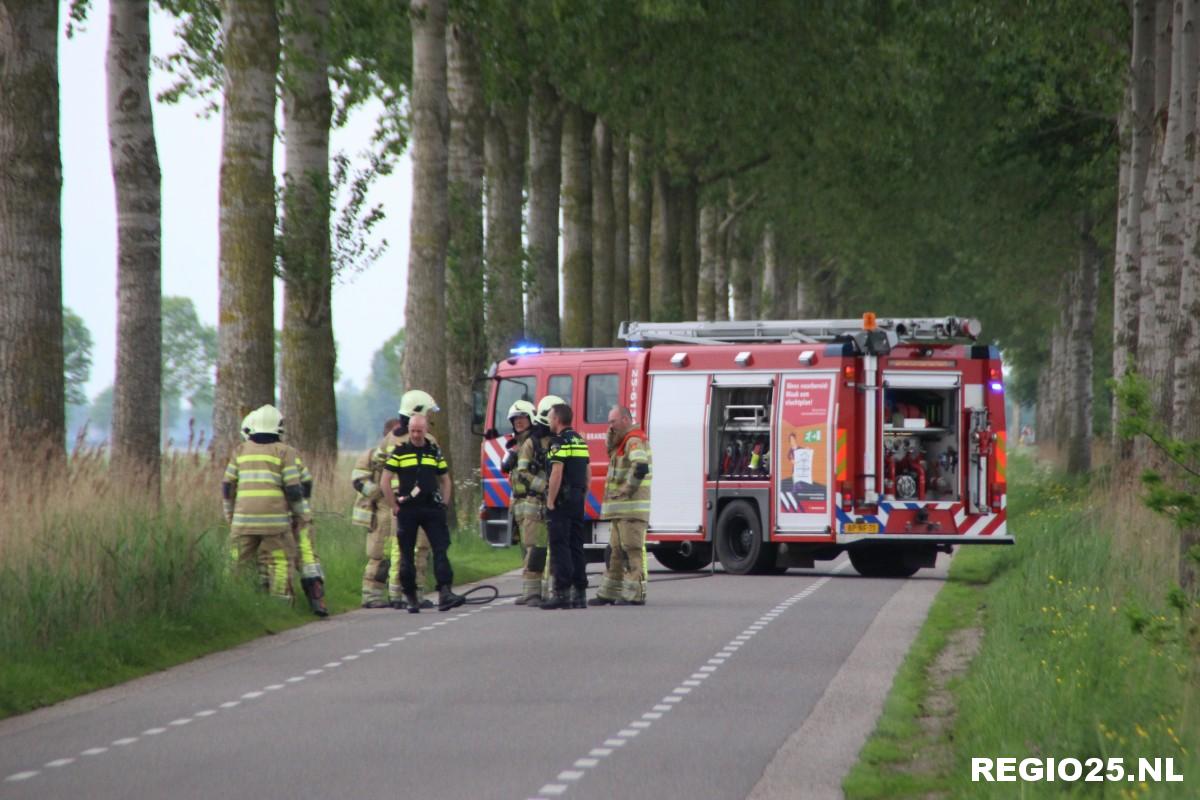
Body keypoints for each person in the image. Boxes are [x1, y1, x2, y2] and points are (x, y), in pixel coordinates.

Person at [238, 409, 328, 616]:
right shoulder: (289, 452)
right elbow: (305, 483)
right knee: (306, 555)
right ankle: (317, 599)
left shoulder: (246, 453)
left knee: (266, 558)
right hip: (297, 515)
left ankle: (266, 600)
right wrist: (301, 512)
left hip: (271, 518)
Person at [222, 405, 307, 602]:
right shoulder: (285, 452)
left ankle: (233, 599)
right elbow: (294, 490)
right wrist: (300, 516)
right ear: (279, 427)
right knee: (278, 561)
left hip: (243, 522)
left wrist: (230, 517)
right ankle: (280, 602)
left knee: (236, 561)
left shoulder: (240, 451)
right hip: (274, 523)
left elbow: (227, 486)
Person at [381, 414, 463, 613]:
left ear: (426, 430)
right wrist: (394, 506)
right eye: (412, 431)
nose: (416, 435)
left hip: (431, 508)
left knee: (441, 550)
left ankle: (445, 592)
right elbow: (385, 480)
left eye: (419, 431)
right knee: (406, 554)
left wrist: (444, 502)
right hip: (408, 509)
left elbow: (445, 479)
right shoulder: (399, 452)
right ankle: (411, 597)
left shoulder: (433, 452)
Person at [370, 389, 442, 608]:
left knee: (400, 547)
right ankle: (414, 593)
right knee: (419, 549)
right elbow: (436, 470)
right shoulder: (427, 439)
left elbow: (376, 464)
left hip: (396, 504)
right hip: (416, 503)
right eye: (427, 413)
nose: (429, 418)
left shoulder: (388, 439)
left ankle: (397, 593)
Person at [591, 405, 652, 606]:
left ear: (625, 420)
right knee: (616, 551)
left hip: (631, 509)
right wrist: (611, 435)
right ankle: (609, 592)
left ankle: (634, 594)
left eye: (613, 422)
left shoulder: (634, 441)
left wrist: (627, 489)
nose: (610, 426)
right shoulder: (622, 442)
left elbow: (640, 466)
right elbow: (610, 451)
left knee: (630, 550)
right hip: (621, 510)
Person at [505, 397, 559, 606]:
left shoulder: (535, 442)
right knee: (527, 546)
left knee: (536, 546)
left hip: (534, 500)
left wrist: (544, 489)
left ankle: (537, 591)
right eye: (515, 419)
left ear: (532, 419)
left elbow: (527, 472)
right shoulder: (516, 444)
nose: (518, 422)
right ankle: (530, 591)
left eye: (522, 418)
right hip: (519, 502)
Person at [540, 403, 591, 610]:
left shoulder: (557, 442)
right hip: (578, 498)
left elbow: (556, 472)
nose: (549, 421)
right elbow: (588, 473)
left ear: (558, 419)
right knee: (576, 545)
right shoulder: (579, 440)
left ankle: (562, 593)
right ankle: (580, 594)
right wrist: (583, 495)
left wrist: (550, 500)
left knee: (560, 545)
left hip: (562, 499)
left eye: (550, 417)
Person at [351, 418, 405, 608]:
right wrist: (378, 492)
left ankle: (397, 594)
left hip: (401, 510)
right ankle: (371, 596)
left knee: (401, 555)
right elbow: (358, 480)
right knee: (379, 555)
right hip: (381, 513)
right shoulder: (373, 455)